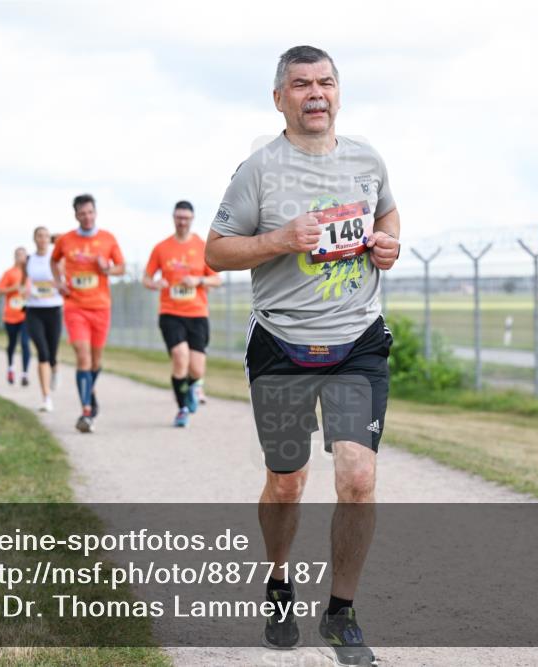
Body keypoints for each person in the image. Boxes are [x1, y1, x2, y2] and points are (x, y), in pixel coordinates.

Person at [205, 45, 400, 666]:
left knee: (358, 477)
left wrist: (391, 242)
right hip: (284, 346)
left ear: (338, 92)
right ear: (279, 98)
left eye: (324, 83)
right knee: (287, 484)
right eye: (300, 84)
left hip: (358, 343)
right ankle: (278, 580)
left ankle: (341, 611)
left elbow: (387, 210)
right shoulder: (259, 169)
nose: (314, 93)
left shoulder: (367, 157)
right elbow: (216, 251)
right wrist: (280, 240)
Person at [143, 200, 223, 427]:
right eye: (179, 217)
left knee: (197, 368)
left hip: (197, 313)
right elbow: (146, 278)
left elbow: (216, 279)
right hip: (170, 312)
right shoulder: (161, 248)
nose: (182, 222)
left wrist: (198, 280)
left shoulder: (202, 246)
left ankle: (190, 389)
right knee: (180, 357)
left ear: (192, 219)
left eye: (186, 218)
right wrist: (154, 283)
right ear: (173, 218)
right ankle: (182, 408)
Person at [51, 194, 125, 433]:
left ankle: (89, 396)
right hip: (75, 306)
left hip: (101, 307)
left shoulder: (107, 239)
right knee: (82, 356)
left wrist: (108, 269)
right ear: (75, 215)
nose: (87, 217)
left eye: (90, 212)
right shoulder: (65, 240)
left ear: (95, 212)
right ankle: (85, 410)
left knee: (95, 360)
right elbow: (54, 262)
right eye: (82, 213)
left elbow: (121, 267)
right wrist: (59, 282)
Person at [26, 226, 64, 412]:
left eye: (46, 236)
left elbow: (69, 244)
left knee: (52, 353)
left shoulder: (56, 259)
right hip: (34, 310)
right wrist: (26, 289)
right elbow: (21, 281)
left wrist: (56, 285)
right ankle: (46, 397)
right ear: (34, 239)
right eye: (39, 236)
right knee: (42, 352)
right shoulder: (29, 260)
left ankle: (55, 369)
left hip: (53, 309)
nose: (42, 239)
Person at [0, 247, 32, 386]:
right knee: (12, 343)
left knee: (25, 343)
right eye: (18, 255)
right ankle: (10, 368)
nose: (21, 258)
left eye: (23, 255)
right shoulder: (9, 273)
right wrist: (14, 288)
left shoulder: (31, 274)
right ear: (14, 257)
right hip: (11, 315)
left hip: (26, 314)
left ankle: (25, 374)